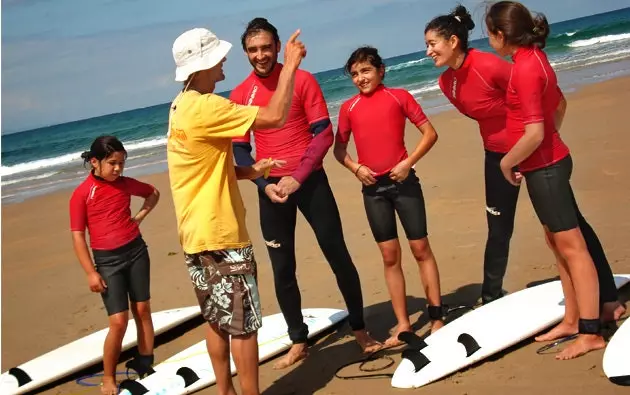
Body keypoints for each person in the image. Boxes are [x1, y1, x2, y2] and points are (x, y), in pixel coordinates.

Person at [424, 5, 625, 318]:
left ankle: (608, 298)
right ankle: (490, 299)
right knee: (499, 228)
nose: (427, 51)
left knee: (569, 227)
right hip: (496, 157)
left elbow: (550, 97)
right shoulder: (445, 83)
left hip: (529, 153)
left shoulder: (490, 65)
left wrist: (544, 140)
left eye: (432, 44)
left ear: (452, 41)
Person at [230, 17, 382, 369]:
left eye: (266, 47)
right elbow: (240, 150)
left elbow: (323, 134)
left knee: (337, 255)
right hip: (272, 192)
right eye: (253, 49)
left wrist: (297, 177)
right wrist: (265, 185)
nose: (261, 55)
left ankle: (360, 330)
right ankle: (298, 339)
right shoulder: (240, 95)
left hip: (309, 183)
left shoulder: (303, 79)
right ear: (245, 53)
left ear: (278, 45)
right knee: (282, 269)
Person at [166, 25, 306, 395]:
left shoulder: (180, 105)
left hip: (194, 233)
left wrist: (250, 171)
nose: (225, 59)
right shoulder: (209, 106)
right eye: (218, 55)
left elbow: (203, 165)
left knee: (216, 320)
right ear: (204, 64)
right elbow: (275, 115)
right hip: (221, 233)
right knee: (243, 324)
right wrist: (289, 64)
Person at [483, 0, 605, 360]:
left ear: (502, 35)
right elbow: (560, 106)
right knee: (556, 242)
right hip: (545, 164)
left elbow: (535, 132)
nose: (488, 41)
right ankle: (571, 318)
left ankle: (590, 331)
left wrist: (508, 162)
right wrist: (542, 150)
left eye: (489, 34)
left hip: (547, 169)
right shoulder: (534, 58)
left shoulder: (524, 69)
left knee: (573, 248)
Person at [333, 46, 445, 346]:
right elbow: (339, 150)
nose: (360, 78)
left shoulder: (400, 97)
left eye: (366, 71)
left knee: (420, 247)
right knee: (389, 256)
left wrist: (408, 164)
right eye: (355, 74)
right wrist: (356, 169)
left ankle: (436, 317)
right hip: (373, 190)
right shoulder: (348, 109)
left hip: (404, 183)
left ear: (381, 71)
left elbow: (430, 133)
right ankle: (404, 324)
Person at [69, 135, 160, 395]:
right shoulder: (82, 194)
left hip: (136, 251)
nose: (118, 169)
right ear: (95, 162)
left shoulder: (125, 184)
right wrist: (90, 272)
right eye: (113, 163)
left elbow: (153, 193)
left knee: (142, 309)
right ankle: (108, 377)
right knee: (119, 321)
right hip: (107, 262)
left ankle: (145, 361)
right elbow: (77, 236)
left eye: (122, 163)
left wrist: (140, 217)